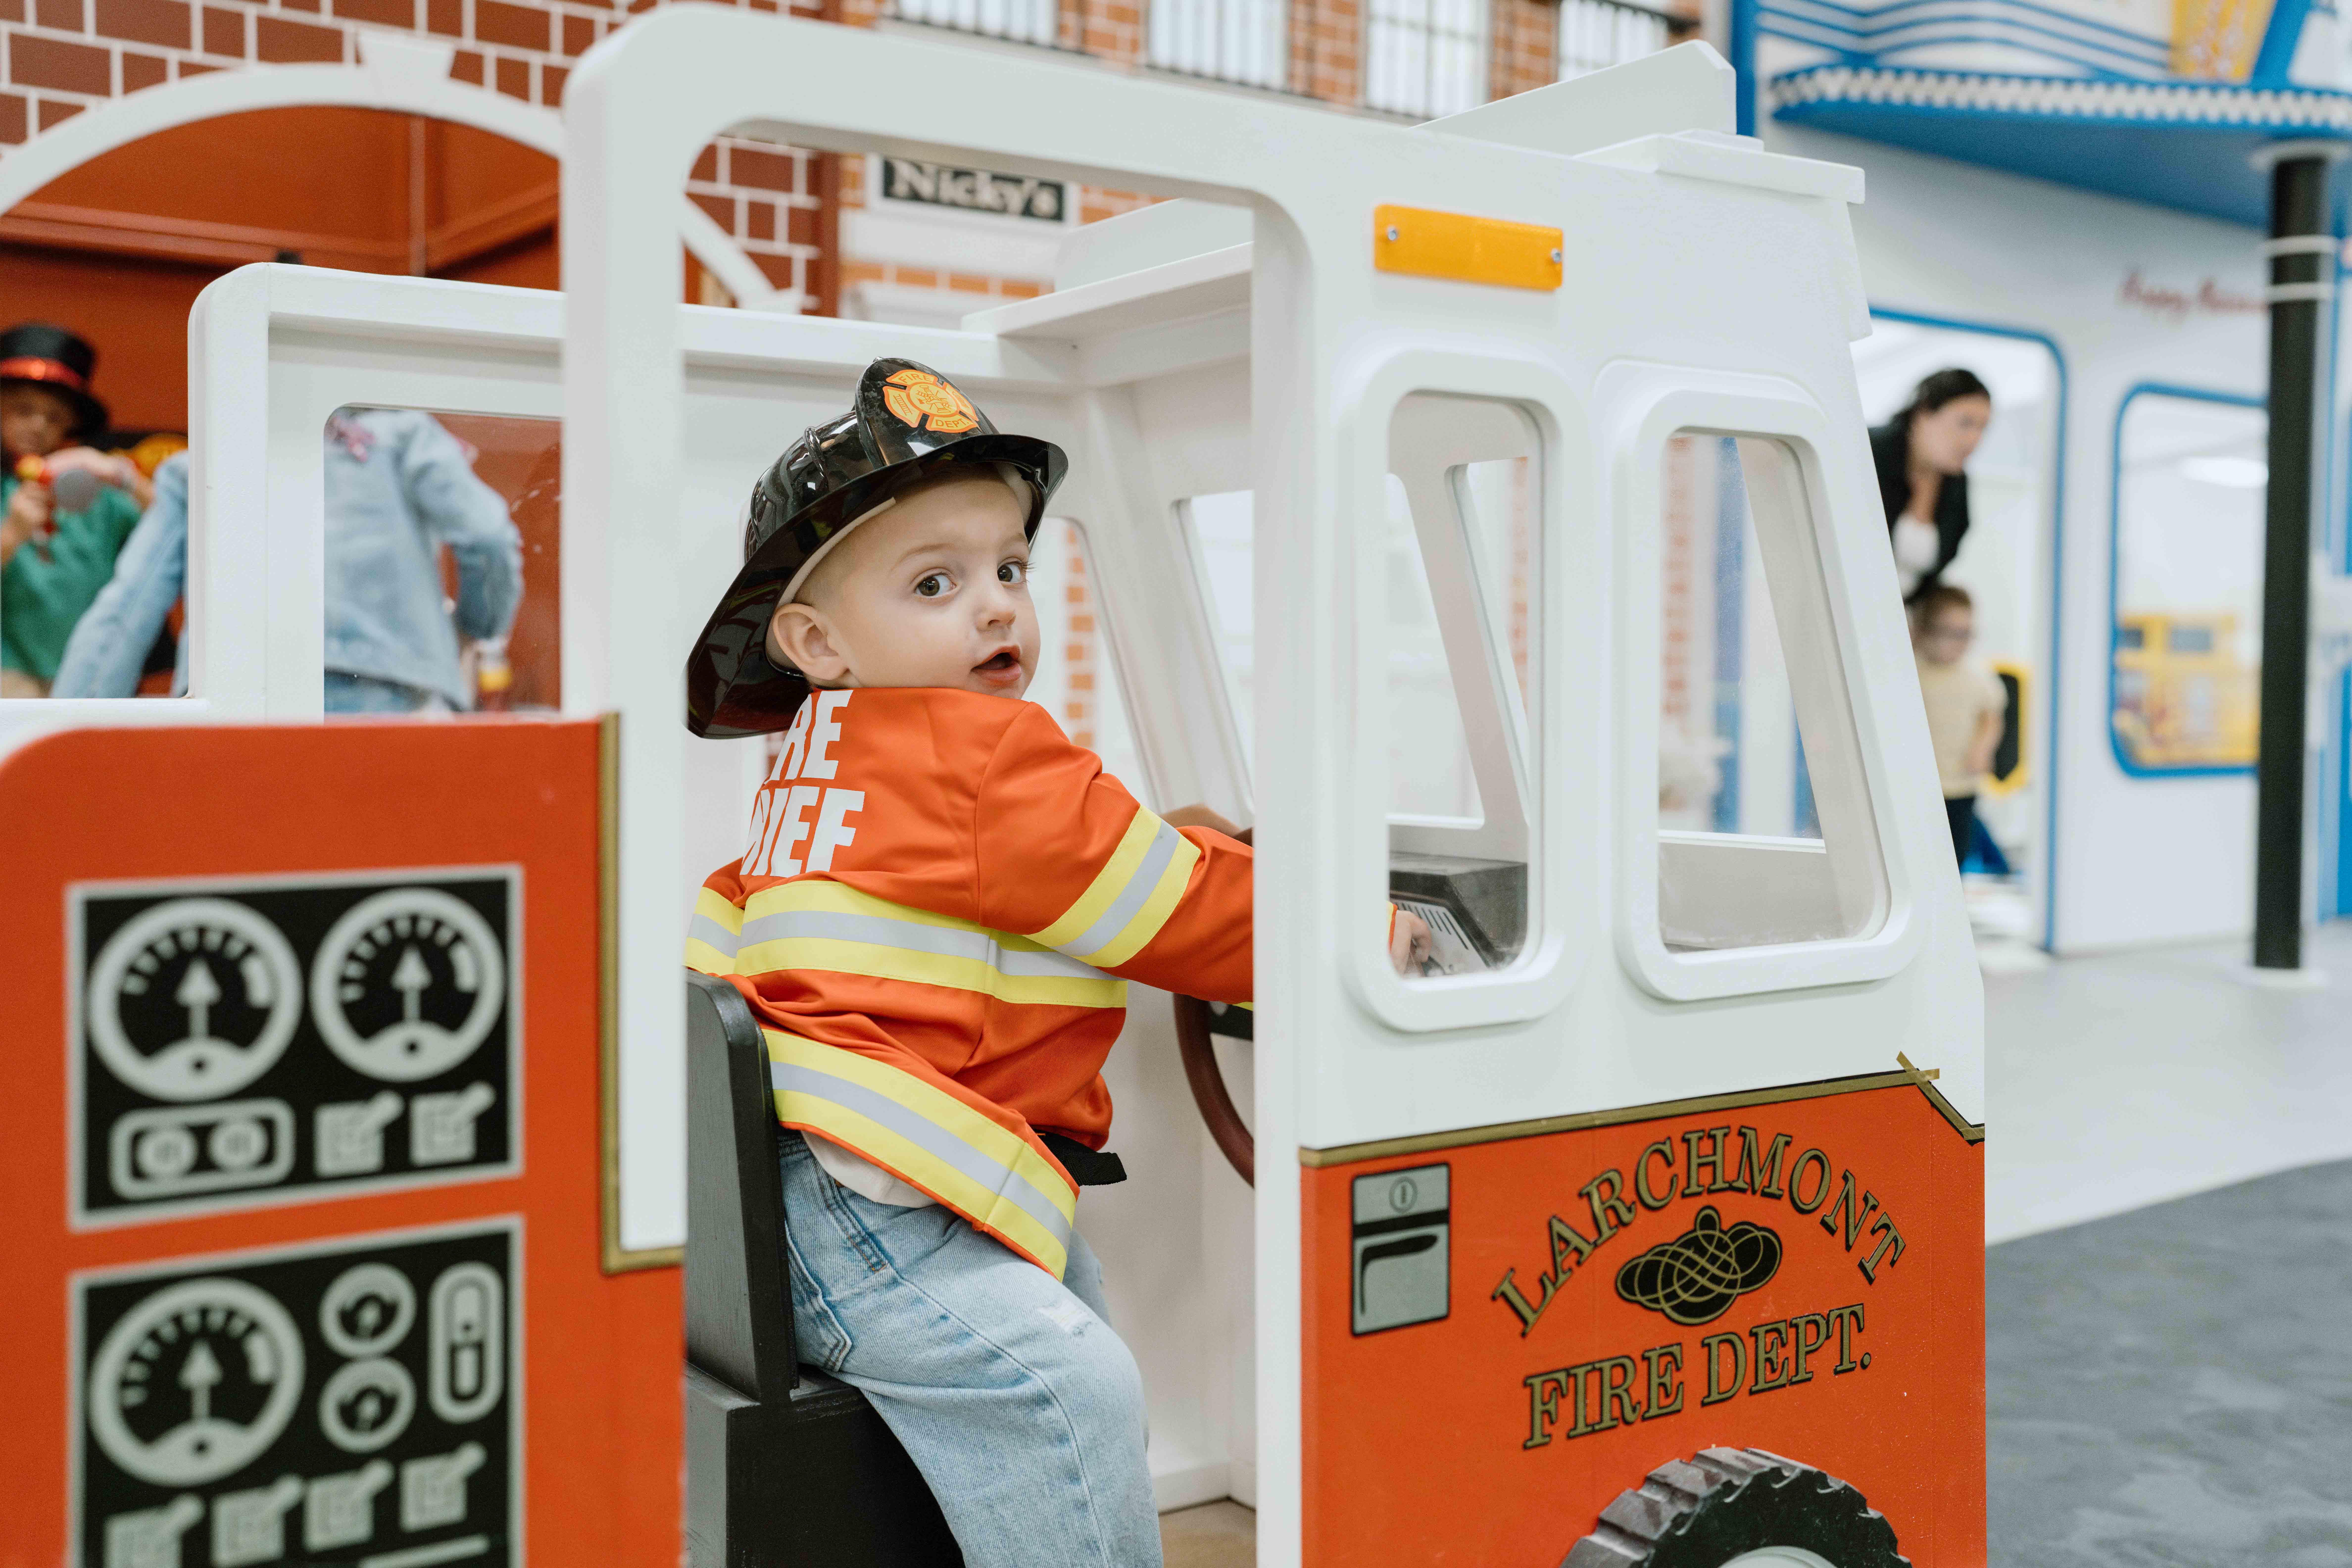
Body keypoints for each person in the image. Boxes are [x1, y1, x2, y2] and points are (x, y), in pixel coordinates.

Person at [681, 359, 1428, 1568]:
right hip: (889, 1203)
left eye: (1010, 570)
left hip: (822, 1184)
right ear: (813, 637)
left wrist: (1170, 838)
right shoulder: (982, 759)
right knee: (1067, 1392)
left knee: (1076, 1313)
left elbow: (1061, 860)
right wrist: (1363, 932)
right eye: (936, 581)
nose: (994, 608)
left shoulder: (822, 759)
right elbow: (1176, 908)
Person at [51, 413, 523, 709]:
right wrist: (476, 627)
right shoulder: (404, 439)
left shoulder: (197, 468)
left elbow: (126, 609)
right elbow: (488, 537)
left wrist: (64, 729)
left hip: (233, 701)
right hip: (393, 688)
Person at [0, 323, 151, 698]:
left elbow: (183, 528)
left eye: (54, 417)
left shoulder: (96, 487)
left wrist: (123, 475)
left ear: (72, 423)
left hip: (93, 672)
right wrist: (11, 534)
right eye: (24, 410)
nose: (38, 425)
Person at [1871, 367, 1991, 600]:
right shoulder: (1869, 452)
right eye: (1966, 423)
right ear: (1924, 414)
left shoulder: (1956, 483)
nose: (1975, 440)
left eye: (1983, 428)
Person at [1911, 583, 2007, 869]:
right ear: (1925, 631)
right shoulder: (1913, 671)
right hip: (1922, 786)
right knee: (1921, 855)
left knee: (1955, 856)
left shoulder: (1977, 675)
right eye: (1950, 633)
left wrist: (1983, 749)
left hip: (1961, 786)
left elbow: (1991, 718)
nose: (1960, 643)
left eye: (1966, 634)